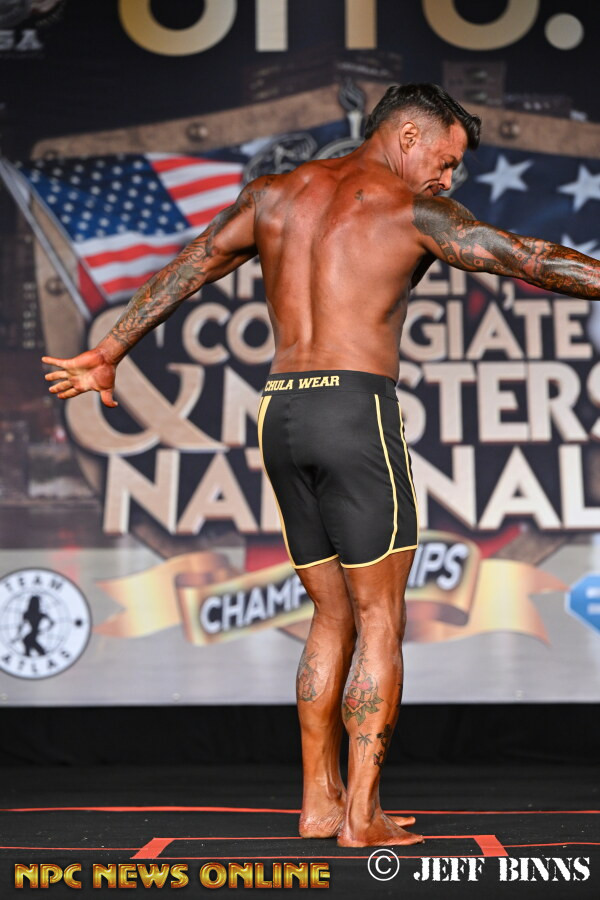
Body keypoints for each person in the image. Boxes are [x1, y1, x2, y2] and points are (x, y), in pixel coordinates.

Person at [42, 83, 600, 847]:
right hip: (354, 411)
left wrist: (108, 351)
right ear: (408, 134)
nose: (448, 178)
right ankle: (362, 816)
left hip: (281, 412)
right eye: (445, 160)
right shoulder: (409, 209)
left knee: (329, 614)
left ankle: (319, 803)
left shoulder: (273, 195)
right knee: (380, 617)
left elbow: (194, 264)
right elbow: (523, 257)